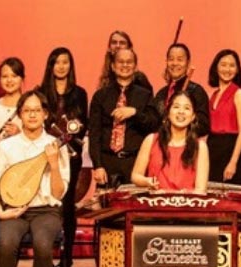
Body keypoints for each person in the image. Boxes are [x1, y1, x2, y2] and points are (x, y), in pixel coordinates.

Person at [0, 90, 69, 267]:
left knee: (43, 244)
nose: (32, 115)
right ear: (20, 114)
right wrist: (1, 212)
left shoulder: (55, 145)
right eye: (27, 111)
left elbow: (59, 193)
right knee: (7, 241)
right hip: (13, 210)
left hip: (46, 210)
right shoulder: (7, 147)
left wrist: (53, 163)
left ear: (45, 114)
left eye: (37, 110)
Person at [37, 47, 89, 267]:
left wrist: (69, 135)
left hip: (71, 154)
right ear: (50, 65)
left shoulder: (80, 93)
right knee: (47, 202)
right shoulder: (40, 93)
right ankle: (45, 253)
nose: (61, 66)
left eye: (65, 62)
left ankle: (66, 256)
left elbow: (82, 124)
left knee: (67, 205)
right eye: (57, 62)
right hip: (45, 153)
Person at [89, 48, 158, 186]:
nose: (125, 65)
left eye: (129, 62)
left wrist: (134, 113)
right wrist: (97, 165)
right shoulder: (100, 96)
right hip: (107, 162)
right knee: (106, 206)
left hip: (134, 162)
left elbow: (154, 124)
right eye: (120, 62)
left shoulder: (145, 95)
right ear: (113, 66)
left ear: (135, 66)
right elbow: (95, 134)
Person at [131, 91, 209, 192]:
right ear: (168, 113)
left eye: (187, 108)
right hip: (155, 203)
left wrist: (184, 195)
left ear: (193, 116)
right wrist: (148, 181)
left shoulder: (200, 147)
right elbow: (135, 176)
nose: (181, 111)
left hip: (186, 205)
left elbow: (201, 189)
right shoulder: (151, 140)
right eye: (176, 107)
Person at [207, 49, 241, 184]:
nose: (227, 69)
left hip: (230, 148)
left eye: (232, 65)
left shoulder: (238, 93)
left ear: (237, 70)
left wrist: (233, 162)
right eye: (223, 64)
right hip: (212, 148)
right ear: (216, 67)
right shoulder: (213, 95)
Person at [153, 43, 210, 138]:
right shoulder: (161, 93)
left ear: (188, 63)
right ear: (166, 62)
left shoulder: (196, 91)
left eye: (180, 59)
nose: (175, 63)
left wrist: (179, 129)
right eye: (171, 59)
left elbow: (204, 126)